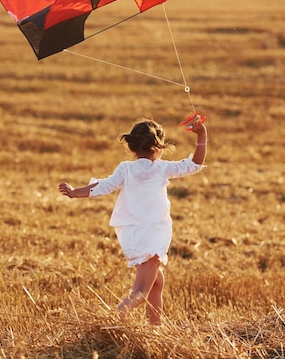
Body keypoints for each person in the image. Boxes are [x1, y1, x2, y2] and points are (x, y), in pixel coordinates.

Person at [58, 117, 207, 325]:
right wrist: (202, 135)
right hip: (153, 235)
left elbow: (103, 186)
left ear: (133, 147)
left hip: (132, 235)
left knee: (157, 282)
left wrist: (75, 192)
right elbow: (195, 164)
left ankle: (155, 330)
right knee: (141, 290)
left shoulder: (125, 169)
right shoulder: (162, 168)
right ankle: (112, 320)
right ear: (158, 147)